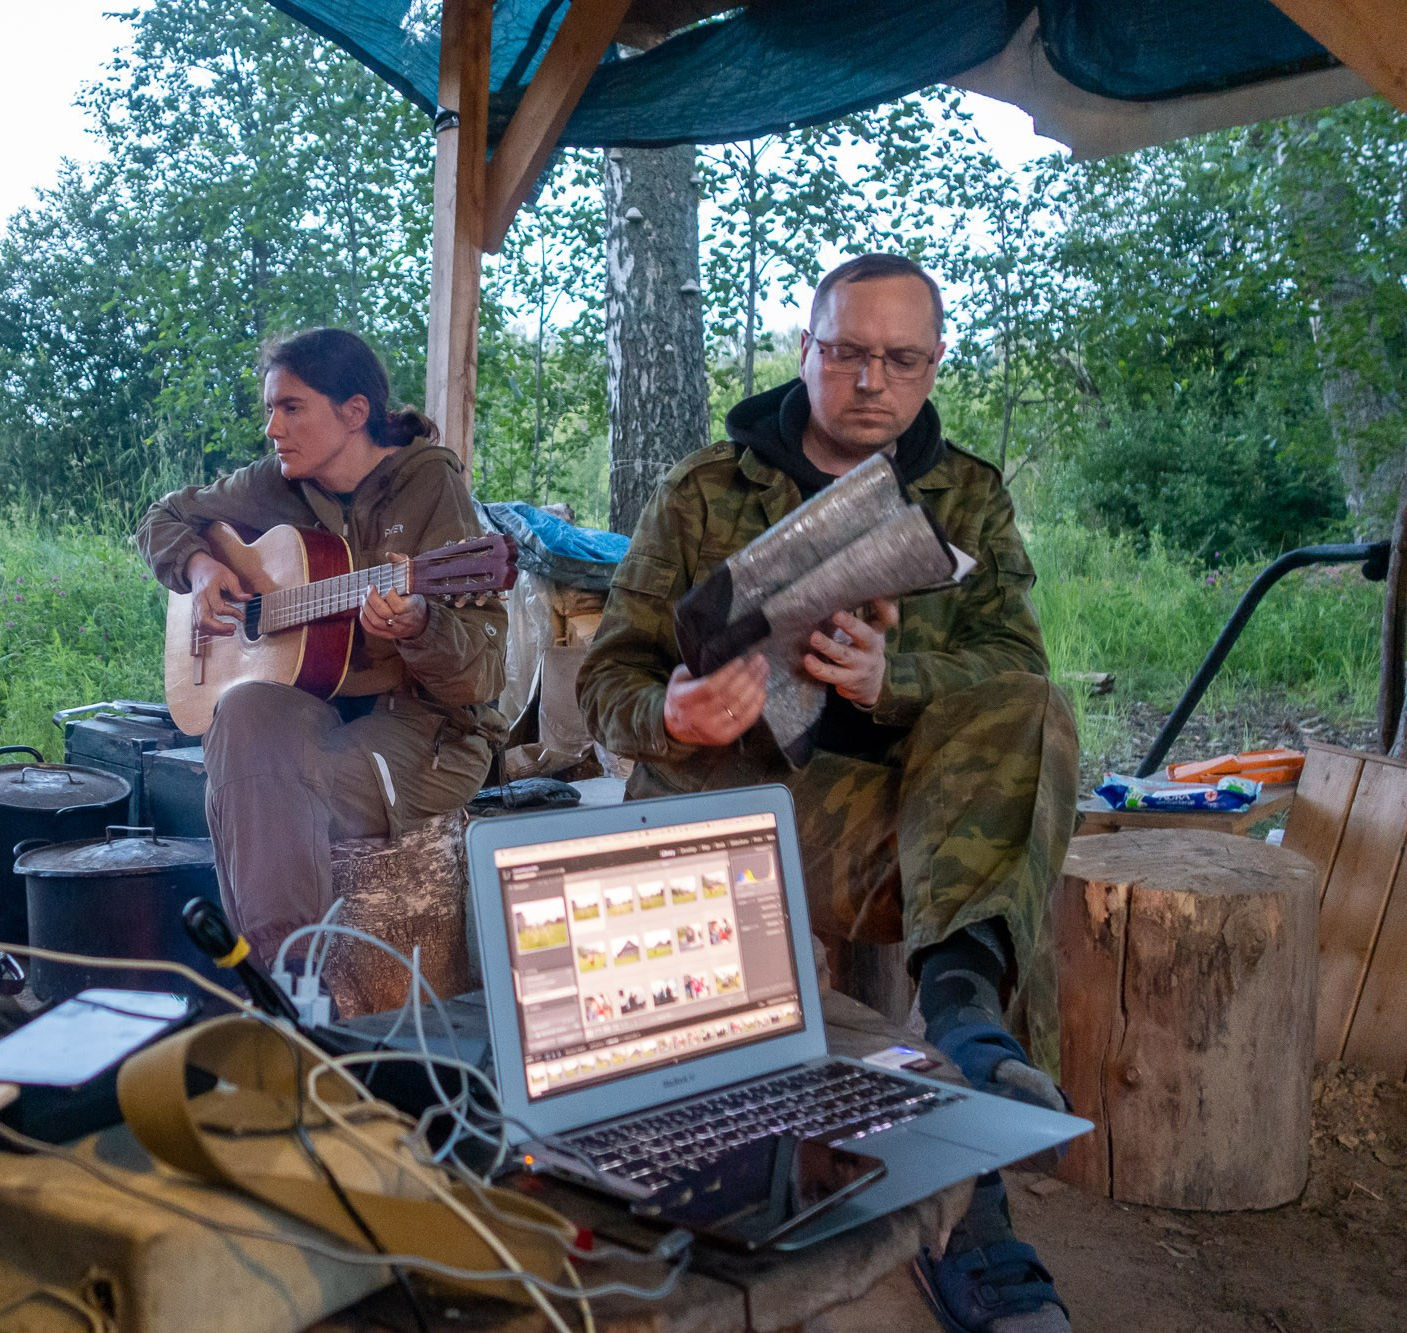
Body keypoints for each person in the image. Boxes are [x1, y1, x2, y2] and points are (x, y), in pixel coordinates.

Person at [577, 254, 1077, 1332]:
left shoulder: (966, 494)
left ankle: (964, 1024)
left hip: (903, 823)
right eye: (845, 352)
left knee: (1033, 708)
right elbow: (602, 676)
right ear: (803, 351)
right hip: (729, 810)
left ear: (933, 364)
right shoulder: (706, 489)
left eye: (900, 359)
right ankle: (971, 1207)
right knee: (706, 1130)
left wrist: (890, 680)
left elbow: (1011, 661)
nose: (869, 381)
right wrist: (666, 714)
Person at [137, 328, 506, 966]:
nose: (273, 428)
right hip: (318, 708)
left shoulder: (430, 490)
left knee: (270, 787)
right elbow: (160, 518)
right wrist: (200, 568)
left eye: (291, 408)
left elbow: (482, 675)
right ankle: (285, 980)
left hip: (425, 728)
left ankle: (283, 977)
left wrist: (420, 626)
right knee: (240, 715)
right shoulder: (275, 484)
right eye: (269, 410)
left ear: (354, 411)